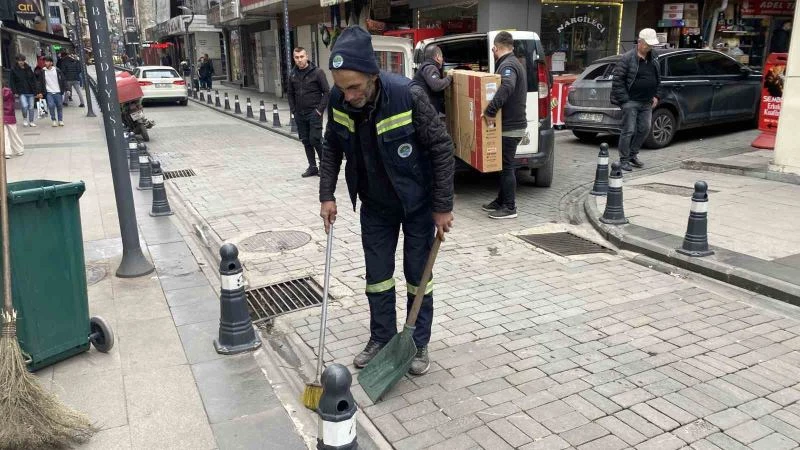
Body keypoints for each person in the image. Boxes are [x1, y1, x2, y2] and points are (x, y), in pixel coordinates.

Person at [319, 26, 455, 375]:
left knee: (417, 275)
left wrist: (442, 207)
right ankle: (381, 337)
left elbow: (441, 149)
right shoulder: (339, 101)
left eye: (354, 87)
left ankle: (416, 343)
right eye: (341, 87)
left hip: (417, 205)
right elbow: (332, 146)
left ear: (373, 75)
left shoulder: (408, 95)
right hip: (375, 205)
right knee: (377, 276)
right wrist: (327, 195)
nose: (348, 95)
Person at [481, 31, 527, 220]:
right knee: (503, 165)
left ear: (496, 48)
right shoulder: (514, 62)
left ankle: (509, 207)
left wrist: (490, 111)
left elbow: (507, 86)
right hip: (510, 125)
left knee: (507, 166)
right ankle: (501, 200)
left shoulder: (508, 65)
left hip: (510, 127)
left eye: (493, 49)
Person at [611, 28, 664, 172]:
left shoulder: (654, 57)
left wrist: (656, 96)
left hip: (647, 101)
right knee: (628, 130)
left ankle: (632, 155)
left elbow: (658, 79)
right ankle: (623, 160)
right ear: (639, 42)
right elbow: (618, 81)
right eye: (647, 44)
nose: (649, 47)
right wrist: (625, 101)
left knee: (645, 128)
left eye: (651, 45)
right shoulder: (627, 58)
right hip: (631, 101)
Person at [288, 46, 330, 178]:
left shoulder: (317, 72)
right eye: (297, 57)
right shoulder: (292, 74)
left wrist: (319, 111)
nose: (299, 60)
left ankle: (325, 167)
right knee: (306, 140)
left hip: (314, 112)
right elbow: (290, 93)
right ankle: (312, 167)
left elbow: (327, 92)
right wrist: (294, 110)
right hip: (300, 114)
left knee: (315, 139)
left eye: (302, 57)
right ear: (294, 58)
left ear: (306, 57)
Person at [411, 45, 451, 116]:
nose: (442, 60)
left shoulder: (426, 66)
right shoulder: (430, 67)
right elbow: (437, 85)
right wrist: (450, 77)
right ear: (438, 57)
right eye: (442, 57)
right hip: (425, 110)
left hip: (423, 108)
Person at [37, 56, 67, 127]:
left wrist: (67, 89)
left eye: (47, 61)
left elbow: (63, 80)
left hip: (58, 91)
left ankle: (60, 120)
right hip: (49, 92)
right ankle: (53, 120)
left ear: (51, 63)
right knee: (51, 106)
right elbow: (40, 82)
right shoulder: (42, 71)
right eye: (45, 62)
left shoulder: (57, 70)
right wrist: (39, 92)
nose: (45, 63)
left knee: (59, 106)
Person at [10, 55, 39, 127]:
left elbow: (34, 80)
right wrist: (14, 92)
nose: (21, 62)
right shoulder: (14, 70)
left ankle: (31, 121)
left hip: (30, 91)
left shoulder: (28, 68)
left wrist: (36, 91)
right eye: (19, 60)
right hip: (21, 91)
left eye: (22, 60)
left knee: (31, 107)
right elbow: (12, 82)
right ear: (17, 61)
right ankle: (25, 119)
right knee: (25, 106)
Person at [3, 87, 24, 159]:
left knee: (4, 135)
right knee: (13, 134)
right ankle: (19, 149)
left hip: (3, 115)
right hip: (10, 115)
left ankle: (7, 152)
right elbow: (12, 103)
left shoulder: (4, 92)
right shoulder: (9, 92)